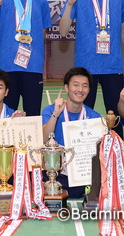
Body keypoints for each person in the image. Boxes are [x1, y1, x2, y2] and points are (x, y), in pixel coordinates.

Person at [59, 0, 124, 138]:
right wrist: (69, 4)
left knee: (114, 118)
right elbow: (63, 30)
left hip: (113, 65)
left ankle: (117, 160)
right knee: (83, 117)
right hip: (86, 68)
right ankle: (84, 161)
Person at [42, 67, 101, 198]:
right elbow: (45, 140)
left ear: (89, 90)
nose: (80, 90)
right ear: (67, 88)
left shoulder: (94, 117)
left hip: (81, 170)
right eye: (76, 85)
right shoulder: (50, 110)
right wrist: (55, 115)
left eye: (84, 86)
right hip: (57, 170)